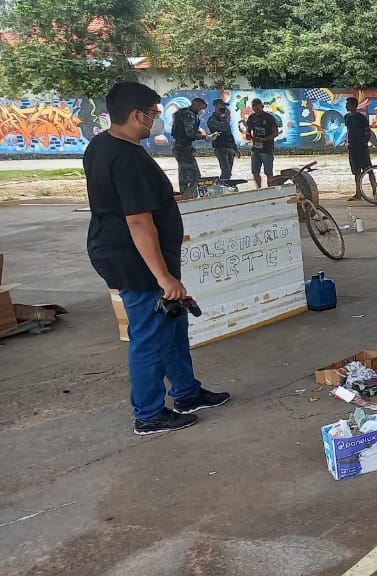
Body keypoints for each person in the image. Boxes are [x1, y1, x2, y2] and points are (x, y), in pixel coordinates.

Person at [84, 82, 230, 435]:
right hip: (136, 261)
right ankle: (148, 414)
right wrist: (163, 278)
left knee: (173, 324)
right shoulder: (126, 158)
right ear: (136, 115)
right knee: (149, 336)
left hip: (133, 254)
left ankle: (187, 393)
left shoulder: (101, 145)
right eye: (153, 113)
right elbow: (138, 221)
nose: (156, 120)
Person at [171, 97, 207, 195]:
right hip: (183, 148)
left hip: (179, 147)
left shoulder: (182, 113)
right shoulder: (189, 114)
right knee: (194, 175)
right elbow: (189, 133)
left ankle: (184, 195)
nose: (201, 111)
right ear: (195, 104)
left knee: (183, 174)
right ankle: (192, 195)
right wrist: (205, 137)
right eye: (201, 108)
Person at [344, 97, 374, 201]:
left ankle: (374, 192)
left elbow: (368, 132)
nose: (346, 106)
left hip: (361, 147)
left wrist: (364, 142)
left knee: (368, 169)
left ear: (354, 106)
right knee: (356, 171)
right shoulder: (346, 117)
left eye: (348, 104)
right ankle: (358, 193)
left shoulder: (361, 118)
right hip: (352, 147)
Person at [246, 99, 280, 188]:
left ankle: (270, 190)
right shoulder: (251, 118)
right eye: (254, 106)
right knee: (255, 171)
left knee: (268, 172)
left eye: (257, 106)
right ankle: (259, 189)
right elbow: (248, 131)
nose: (256, 108)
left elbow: (276, 133)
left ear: (262, 106)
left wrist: (264, 139)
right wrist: (249, 136)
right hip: (255, 149)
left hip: (267, 149)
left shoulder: (269, 118)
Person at [206, 99, 238, 184]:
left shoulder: (224, 119)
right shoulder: (212, 120)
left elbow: (229, 134)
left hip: (229, 147)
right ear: (216, 106)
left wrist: (235, 148)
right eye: (222, 105)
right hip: (220, 148)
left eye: (225, 106)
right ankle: (221, 186)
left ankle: (225, 185)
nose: (224, 108)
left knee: (229, 172)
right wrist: (227, 117)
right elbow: (222, 128)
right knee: (226, 170)